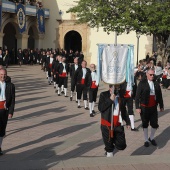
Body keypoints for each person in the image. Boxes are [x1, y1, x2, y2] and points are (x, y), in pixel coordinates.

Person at [98, 85, 130, 157]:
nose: (117, 89)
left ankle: (111, 145)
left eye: (118, 87)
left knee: (122, 145)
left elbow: (123, 110)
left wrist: (128, 122)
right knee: (109, 148)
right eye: (115, 87)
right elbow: (101, 108)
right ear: (110, 87)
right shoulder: (103, 94)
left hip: (118, 124)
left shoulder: (121, 96)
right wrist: (110, 100)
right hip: (107, 124)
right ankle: (109, 151)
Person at [135, 68, 164, 147]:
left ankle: (151, 137)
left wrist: (161, 106)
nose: (152, 76)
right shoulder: (142, 83)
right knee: (145, 124)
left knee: (154, 124)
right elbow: (137, 96)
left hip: (153, 107)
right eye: (150, 75)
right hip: (144, 107)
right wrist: (137, 107)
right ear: (147, 74)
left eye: (153, 74)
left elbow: (159, 95)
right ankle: (146, 140)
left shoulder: (156, 83)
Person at [0, 68, 15, 156]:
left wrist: (11, 111)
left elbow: (13, 100)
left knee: (2, 130)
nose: (3, 76)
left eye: (4, 74)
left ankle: (0, 147)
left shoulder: (11, 86)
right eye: (1, 74)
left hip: (4, 110)